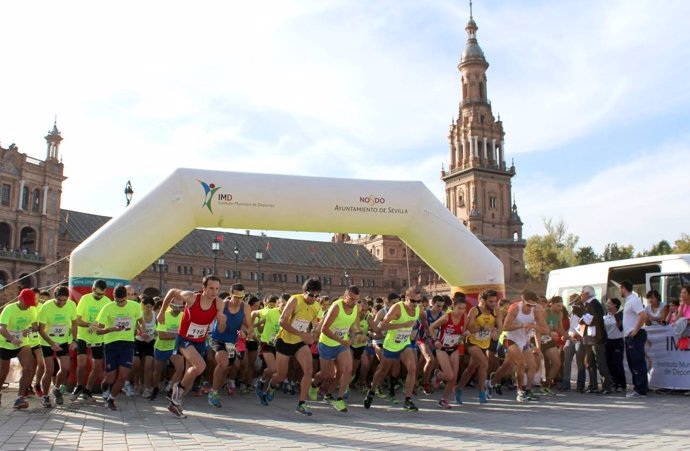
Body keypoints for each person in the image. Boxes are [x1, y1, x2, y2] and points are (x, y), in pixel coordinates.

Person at [157, 275, 226, 418]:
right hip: (184, 339)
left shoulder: (219, 303)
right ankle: (177, 389)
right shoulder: (191, 297)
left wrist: (222, 322)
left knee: (192, 374)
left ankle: (176, 403)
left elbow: (220, 330)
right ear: (204, 288)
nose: (214, 292)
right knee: (200, 366)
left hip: (199, 341)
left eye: (217, 289)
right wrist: (162, 311)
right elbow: (171, 292)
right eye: (211, 288)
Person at [260, 279, 322, 415]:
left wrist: (314, 333)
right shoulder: (295, 300)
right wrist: (302, 334)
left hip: (300, 342)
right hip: (284, 341)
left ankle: (301, 404)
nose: (314, 299)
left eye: (317, 296)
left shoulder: (317, 306)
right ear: (304, 292)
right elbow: (282, 321)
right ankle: (271, 386)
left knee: (308, 369)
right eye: (311, 295)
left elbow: (316, 324)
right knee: (281, 376)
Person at [364, 286, 423, 412]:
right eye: (413, 301)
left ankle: (408, 400)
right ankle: (372, 391)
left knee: (412, 369)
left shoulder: (418, 309)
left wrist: (424, 330)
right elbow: (382, 326)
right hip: (390, 345)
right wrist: (402, 325)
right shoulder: (397, 308)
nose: (416, 304)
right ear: (406, 298)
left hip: (404, 343)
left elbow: (422, 321)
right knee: (382, 371)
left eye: (418, 301)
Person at [309, 286, 363, 412]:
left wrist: (355, 335)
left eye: (356, 300)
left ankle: (336, 398)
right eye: (351, 299)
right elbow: (325, 329)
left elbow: (354, 326)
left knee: (346, 370)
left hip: (341, 344)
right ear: (344, 297)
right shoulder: (336, 307)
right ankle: (313, 385)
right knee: (325, 374)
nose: (353, 302)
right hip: (327, 343)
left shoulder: (356, 308)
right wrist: (341, 340)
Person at [490, 291, 549, 402]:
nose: (529, 308)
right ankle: (520, 392)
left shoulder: (536, 311)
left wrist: (534, 326)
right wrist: (521, 325)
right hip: (509, 339)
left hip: (523, 341)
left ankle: (492, 383)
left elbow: (546, 330)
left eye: (532, 305)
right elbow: (505, 327)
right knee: (521, 363)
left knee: (515, 367)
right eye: (528, 305)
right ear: (522, 302)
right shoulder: (516, 309)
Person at [95, 284, 144, 410]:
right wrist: (111, 329)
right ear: (113, 297)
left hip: (127, 343)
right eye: (117, 301)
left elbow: (140, 319)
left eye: (122, 301)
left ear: (126, 297)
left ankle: (111, 398)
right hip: (111, 344)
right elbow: (98, 331)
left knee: (123, 375)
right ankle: (106, 388)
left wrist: (140, 329)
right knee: (110, 377)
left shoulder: (134, 306)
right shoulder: (107, 308)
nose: (120, 304)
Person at [207, 284, 253, 408]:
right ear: (230, 294)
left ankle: (219, 383)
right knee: (223, 363)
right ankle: (213, 392)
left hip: (231, 342)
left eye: (241, 297)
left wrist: (245, 333)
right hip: (217, 338)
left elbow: (249, 326)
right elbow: (219, 326)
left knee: (228, 367)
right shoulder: (223, 304)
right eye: (236, 296)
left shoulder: (245, 307)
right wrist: (222, 324)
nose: (238, 300)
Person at [37, 286, 78, 408]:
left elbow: (74, 323)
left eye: (64, 300)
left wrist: (75, 340)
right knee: (49, 370)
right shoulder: (47, 307)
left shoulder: (71, 305)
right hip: (47, 342)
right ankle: (45, 397)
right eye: (59, 300)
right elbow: (41, 329)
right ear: (55, 297)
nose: (62, 303)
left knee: (65, 368)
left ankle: (56, 389)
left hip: (63, 340)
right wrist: (51, 343)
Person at [459, 289, 502, 404]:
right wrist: (483, 327)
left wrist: (496, 332)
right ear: (483, 301)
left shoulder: (496, 311)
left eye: (495, 301)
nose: (494, 304)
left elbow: (500, 328)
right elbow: (470, 328)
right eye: (491, 301)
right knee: (484, 363)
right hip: (472, 342)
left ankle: (458, 389)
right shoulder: (475, 310)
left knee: (471, 368)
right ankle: (482, 393)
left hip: (484, 343)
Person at [72, 279, 112, 401]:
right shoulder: (85, 299)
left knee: (97, 366)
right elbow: (77, 320)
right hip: (83, 335)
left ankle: (87, 390)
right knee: (82, 363)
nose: (100, 296)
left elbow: (109, 323)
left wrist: (97, 327)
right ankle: (79, 386)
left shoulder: (107, 302)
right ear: (93, 289)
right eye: (98, 293)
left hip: (99, 337)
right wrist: (89, 324)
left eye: (102, 294)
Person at [0, 289, 38, 409]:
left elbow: (35, 327)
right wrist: (11, 339)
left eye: (31, 303)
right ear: (19, 299)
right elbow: (1, 327)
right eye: (27, 303)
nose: (29, 306)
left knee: (29, 367)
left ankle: (20, 398)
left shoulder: (32, 310)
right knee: (3, 372)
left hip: (22, 343)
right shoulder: (9, 309)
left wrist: (30, 330)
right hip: (5, 343)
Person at [428, 295, 467, 408]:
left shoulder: (465, 317)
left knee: (454, 377)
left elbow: (462, 333)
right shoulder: (446, 317)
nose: (461, 311)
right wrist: (435, 340)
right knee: (449, 376)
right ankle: (438, 374)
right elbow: (431, 328)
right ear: (453, 307)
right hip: (442, 349)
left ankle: (444, 399)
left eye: (464, 308)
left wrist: (464, 334)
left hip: (454, 348)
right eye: (459, 308)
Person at [579, 285, 612, 394]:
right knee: (589, 362)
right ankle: (593, 386)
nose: (581, 294)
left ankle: (606, 386)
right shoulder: (587, 304)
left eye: (582, 292)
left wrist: (584, 319)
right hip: (589, 337)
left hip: (596, 337)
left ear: (587, 293)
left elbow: (596, 319)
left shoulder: (594, 303)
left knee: (600, 362)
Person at [253, 294, 285, 405]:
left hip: (280, 344)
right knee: (272, 369)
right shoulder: (271, 312)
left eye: (287, 305)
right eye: (282, 305)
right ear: (278, 304)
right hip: (267, 342)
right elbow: (253, 313)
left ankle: (267, 390)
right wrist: (250, 328)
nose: (284, 307)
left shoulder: (291, 315)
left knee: (279, 373)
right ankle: (260, 382)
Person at [150, 300, 184, 401]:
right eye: (175, 306)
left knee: (180, 369)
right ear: (171, 305)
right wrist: (177, 336)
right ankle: (155, 388)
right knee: (157, 372)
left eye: (180, 307)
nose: (178, 309)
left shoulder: (184, 315)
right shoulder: (163, 315)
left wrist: (175, 336)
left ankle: (171, 389)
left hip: (174, 348)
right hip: (162, 347)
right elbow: (162, 336)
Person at [620, 280, 648, 398]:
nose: (619, 291)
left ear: (623, 288)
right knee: (632, 363)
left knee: (637, 363)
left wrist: (635, 330)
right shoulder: (628, 301)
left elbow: (643, 315)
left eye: (620, 288)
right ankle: (638, 388)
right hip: (629, 336)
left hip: (635, 335)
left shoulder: (633, 300)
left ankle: (641, 390)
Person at [129, 295, 157, 398]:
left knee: (148, 366)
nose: (148, 309)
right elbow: (135, 329)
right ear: (143, 306)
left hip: (150, 342)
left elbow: (158, 328)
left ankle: (147, 388)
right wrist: (142, 334)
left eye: (150, 307)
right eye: (146, 306)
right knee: (137, 365)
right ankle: (136, 385)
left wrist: (154, 334)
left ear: (153, 307)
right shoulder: (139, 315)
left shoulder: (155, 315)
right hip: (139, 341)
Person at [540, 296, 566, 394]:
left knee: (557, 363)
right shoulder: (544, 312)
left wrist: (568, 337)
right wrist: (550, 333)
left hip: (548, 339)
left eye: (561, 306)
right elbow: (540, 327)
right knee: (534, 364)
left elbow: (560, 327)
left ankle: (546, 385)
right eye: (558, 306)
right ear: (552, 304)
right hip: (538, 338)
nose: (560, 308)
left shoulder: (560, 314)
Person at [560, 294, 586, 392]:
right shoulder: (572, 312)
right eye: (571, 301)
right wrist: (566, 335)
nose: (572, 304)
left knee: (580, 363)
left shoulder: (583, 311)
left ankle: (580, 385)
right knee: (567, 362)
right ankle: (566, 383)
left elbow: (583, 326)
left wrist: (576, 334)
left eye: (574, 301)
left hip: (579, 339)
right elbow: (570, 327)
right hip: (569, 339)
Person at [604, 297, 626, 392]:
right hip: (608, 341)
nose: (607, 304)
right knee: (609, 364)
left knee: (617, 363)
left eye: (609, 303)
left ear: (615, 305)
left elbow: (621, 327)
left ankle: (621, 384)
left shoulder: (620, 315)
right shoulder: (605, 316)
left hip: (618, 341)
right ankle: (614, 383)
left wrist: (618, 321)